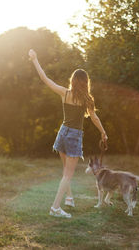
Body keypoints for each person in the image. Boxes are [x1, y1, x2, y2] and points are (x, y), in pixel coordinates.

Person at [28, 49, 108, 218]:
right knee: (68, 174)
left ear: (73, 81)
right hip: (74, 136)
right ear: (85, 82)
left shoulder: (65, 93)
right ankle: (55, 208)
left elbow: (45, 78)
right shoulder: (87, 99)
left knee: (66, 170)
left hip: (63, 133)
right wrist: (103, 132)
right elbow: (94, 118)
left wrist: (35, 59)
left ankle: (69, 198)